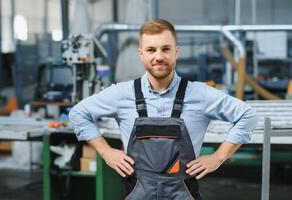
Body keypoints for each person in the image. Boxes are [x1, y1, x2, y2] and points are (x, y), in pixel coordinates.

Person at [69, 19, 257, 200]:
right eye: (151, 50)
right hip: (137, 194)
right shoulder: (121, 94)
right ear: (141, 53)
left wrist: (218, 157)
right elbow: (78, 113)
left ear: (176, 51)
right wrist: (105, 152)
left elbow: (247, 115)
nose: (159, 56)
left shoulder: (201, 94)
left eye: (166, 49)